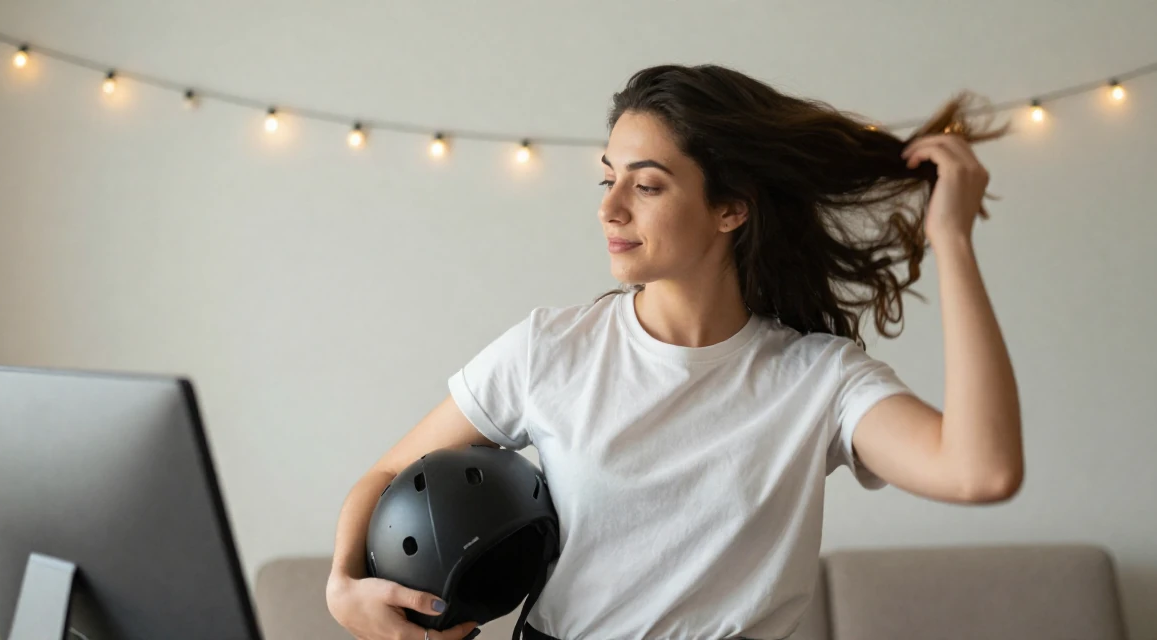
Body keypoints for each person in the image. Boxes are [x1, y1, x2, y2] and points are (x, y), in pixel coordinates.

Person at [325, 64, 1024, 640]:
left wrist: (953, 243)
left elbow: (981, 471)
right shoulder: (551, 349)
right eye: (609, 178)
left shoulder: (819, 381)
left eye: (647, 184)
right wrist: (341, 590)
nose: (610, 207)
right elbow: (387, 472)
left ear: (731, 209)